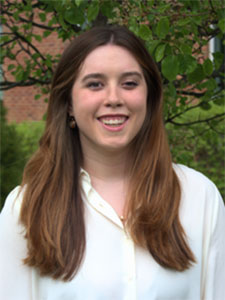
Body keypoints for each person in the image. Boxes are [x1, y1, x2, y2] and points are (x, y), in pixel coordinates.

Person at [0, 25, 224, 300]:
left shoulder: (199, 197)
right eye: (95, 84)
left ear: (149, 97)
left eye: (129, 83)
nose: (114, 98)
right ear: (68, 102)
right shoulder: (25, 208)